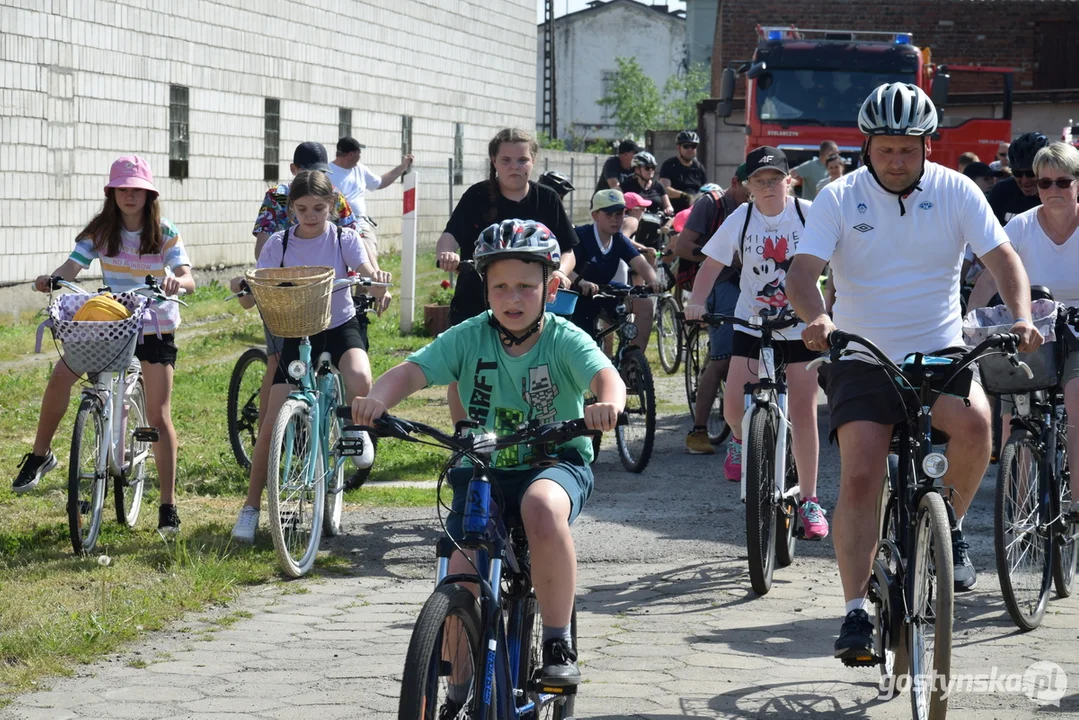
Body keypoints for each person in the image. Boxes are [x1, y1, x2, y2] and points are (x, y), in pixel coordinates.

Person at [784, 82, 1041, 665]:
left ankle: (944, 528)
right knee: (860, 475)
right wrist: (817, 316)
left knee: (977, 428)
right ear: (867, 146)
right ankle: (854, 609)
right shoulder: (838, 196)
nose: (897, 161)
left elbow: (1004, 261)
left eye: (908, 148)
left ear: (927, 145)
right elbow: (802, 274)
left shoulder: (956, 191)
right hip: (862, 353)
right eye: (886, 149)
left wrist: (1022, 318)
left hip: (938, 352)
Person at [351, 219, 626, 695]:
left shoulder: (563, 338)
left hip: (552, 461)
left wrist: (608, 405)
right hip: (484, 467)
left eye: (525, 286)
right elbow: (413, 371)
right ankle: (459, 683)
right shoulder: (469, 336)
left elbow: (606, 376)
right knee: (462, 569)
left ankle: (559, 642)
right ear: (485, 288)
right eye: (500, 287)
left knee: (540, 508)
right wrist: (377, 399)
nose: (512, 298)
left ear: (552, 287)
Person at [13, 155, 195, 535]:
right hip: (112, 324)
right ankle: (40, 455)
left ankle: (167, 505)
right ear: (111, 193)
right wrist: (51, 280)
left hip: (154, 327)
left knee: (159, 415)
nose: (129, 195)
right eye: (122, 189)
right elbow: (71, 268)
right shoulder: (100, 230)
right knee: (62, 372)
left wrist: (178, 282)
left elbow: (185, 275)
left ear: (149, 194)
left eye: (137, 189)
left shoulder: (164, 230)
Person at [230, 170, 391, 543]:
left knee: (359, 376)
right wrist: (244, 286)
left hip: (338, 324)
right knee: (270, 421)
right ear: (291, 210)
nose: (311, 215)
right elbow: (254, 289)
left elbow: (366, 270)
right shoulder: (278, 243)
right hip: (296, 328)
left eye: (319, 207)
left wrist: (374, 278)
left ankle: (354, 430)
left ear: (332, 207)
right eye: (302, 209)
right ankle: (251, 509)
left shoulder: (344, 238)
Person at [683, 147, 828, 540]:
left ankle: (811, 500)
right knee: (734, 407)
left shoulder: (808, 213)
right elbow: (711, 264)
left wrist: (834, 308)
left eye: (773, 179)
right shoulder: (740, 218)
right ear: (747, 186)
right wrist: (697, 301)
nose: (766, 187)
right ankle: (739, 439)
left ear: (789, 180)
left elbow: (841, 259)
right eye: (758, 181)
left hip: (800, 327)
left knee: (803, 409)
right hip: (752, 323)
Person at [435, 128, 578, 426]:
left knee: (538, 368)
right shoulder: (477, 195)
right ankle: (465, 439)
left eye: (522, 160)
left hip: (529, 299)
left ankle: (540, 432)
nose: (515, 166)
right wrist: (447, 253)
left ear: (533, 161)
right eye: (507, 160)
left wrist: (562, 273)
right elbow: (449, 236)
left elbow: (568, 250)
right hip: (477, 296)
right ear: (494, 161)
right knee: (464, 370)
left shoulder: (548, 199)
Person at [970, 144, 1079, 523]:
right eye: (1044, 181)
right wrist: (966, 325)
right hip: (1032, 327)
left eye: (1063, 181)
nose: (1053, 190)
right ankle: (1019, 508)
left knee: (1076, 396)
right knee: (1014, 402)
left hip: (1078, 330)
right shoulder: (1021, 225)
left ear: (1077, 184)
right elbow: (988, 278)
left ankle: (1077, 506)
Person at [251, 142, 363, 470]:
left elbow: (355, 237)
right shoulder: (277, 197)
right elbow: (263, 248)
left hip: (333, 306)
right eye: (302, 209)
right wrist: (263, 279)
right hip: (286, 297)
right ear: (294, 170)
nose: (311, 215)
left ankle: (346, 429)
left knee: (352, 371)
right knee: (276, 362)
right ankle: (273, 438)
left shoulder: (334, 197)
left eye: (321, 172)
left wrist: (369, 271)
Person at [668, 167, 749, 455]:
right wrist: (724, 256)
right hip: (718, 283)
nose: (753, 194)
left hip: (746, 285)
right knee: (724, 360)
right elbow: (682, 247)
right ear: (735, 182)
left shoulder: (756, 207)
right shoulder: (711, 203)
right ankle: (698, 430)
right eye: (749, 187)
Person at [569, 189, 662, 351]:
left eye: (619, 214)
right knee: (586, 346)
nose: (615, 220)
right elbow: (563, 266)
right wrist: (581, 281)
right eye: (608, 214)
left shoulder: (618, 239)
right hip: (579, 297)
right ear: (595, 216)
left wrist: (653, 280)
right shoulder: (581, 236)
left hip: (605, 290)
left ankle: (633, 360)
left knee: (645, 304)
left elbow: (640, 264)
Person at [326, 136, 413, 273]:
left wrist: (403, 167)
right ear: (351, 154)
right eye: (359, 153)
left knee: (369, 258)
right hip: (336, 224)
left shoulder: (360, 169)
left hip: (360, 223)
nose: (360, 157)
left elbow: (381, 182)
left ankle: (363, 294)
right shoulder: (327, 172)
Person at [989, 132, 1050, 225]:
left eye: (1031, 173)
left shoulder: (1060, 191)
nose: (1024, 180)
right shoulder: (1001, 191)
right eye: (1017, 173)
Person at [660, 130, 708, 213]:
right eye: (686, 146)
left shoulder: (699, 168)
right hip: (675, 212)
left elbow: (704, 189)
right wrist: (685, 196)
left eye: (693, 146)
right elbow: (664, 190)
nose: (690, 149)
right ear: (679, 147)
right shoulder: (669, 165)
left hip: (696, 211)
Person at [620, 152, 673, 216]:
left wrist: (669, 209)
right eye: (647, 168)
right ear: (637, 169)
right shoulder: (626, 186)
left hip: (657, 222)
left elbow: (668, 206)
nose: (651, 170)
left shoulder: (658, 185)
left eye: (653, 167)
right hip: (636, 222)